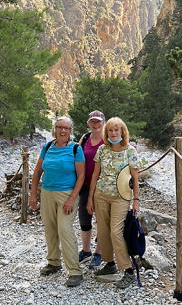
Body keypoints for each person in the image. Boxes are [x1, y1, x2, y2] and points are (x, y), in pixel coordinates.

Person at [29, 116, 85, 288]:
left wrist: (71, 198)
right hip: (47, 192)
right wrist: (33, 194)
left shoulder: (76, 149)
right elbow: (38, 171)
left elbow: (81, 176)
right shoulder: (47, 147)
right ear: (55, 129)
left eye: (66, 128)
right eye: (60, 127)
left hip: (67, 194)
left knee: (65, 229)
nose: (62, 131)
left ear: (70, 131)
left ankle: (75, 271)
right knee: (50, 228)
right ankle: (53, 262)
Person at [87, 117, 140, 289]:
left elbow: (135, 178)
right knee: (103, 232)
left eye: (117, 130)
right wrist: (90, 198)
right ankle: (109, 264)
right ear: (106, 132)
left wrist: (136, 200)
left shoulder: (130, 151)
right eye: (110, 130)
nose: (114, 133)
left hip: (121, 197)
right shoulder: (102, 149)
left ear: (123, 131)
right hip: (101, 195)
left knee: (116, 232)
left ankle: (128, 271)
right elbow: (95, 175)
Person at [78, 110, 105, 269]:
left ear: (103, 122)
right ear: (89, 123)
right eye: (92, 122)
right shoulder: (85, 138)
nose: (95, 124)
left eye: (98, 121)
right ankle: (86, 250)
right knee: (84, 217)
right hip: (85, 184)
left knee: (101, 219)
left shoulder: (108, 139)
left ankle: (99, 253)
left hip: (103, 187)